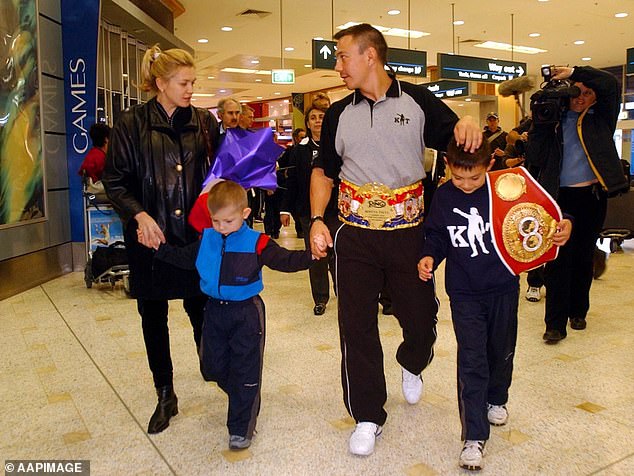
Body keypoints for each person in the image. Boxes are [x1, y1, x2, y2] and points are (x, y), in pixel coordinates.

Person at [309, 23, 482, 456]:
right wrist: (316, 219)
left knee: (420, 318)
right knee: (356, 325)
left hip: (409, 232)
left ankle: (413, 361)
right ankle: (368, 414)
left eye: (343, 55)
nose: (338, 64)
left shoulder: (417, 100)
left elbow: (456, 135)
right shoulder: (337, 112)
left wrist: (468, 123)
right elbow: (323, 171)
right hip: (354, 234)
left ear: (371, 56)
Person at [417, 140, 571, 470]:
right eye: (459, 177)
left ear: (489, 165)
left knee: (501, 350)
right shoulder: (444, 196)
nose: (467, 184)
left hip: (502, 287)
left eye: (474, 177)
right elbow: (436, 235)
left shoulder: (506, 188)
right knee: (471, 359)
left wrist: (563, 224)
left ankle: (497, 396)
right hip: (464, 293)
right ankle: (473, 436)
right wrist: (429, 255)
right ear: (448, 165)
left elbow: (544, 210)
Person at [102, 43, 219, 434]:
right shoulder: (130, 123)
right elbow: (114, 180)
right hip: (149, 239)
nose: (191, 89)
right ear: (160, 82)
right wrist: (139, 214)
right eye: (184, 82)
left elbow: (218, 174)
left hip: (194, 236)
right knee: (153, 316)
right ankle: (165, 393)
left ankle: (214, 369)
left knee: (201, 307)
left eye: (193, 82)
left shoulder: (204, 123)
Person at [150, 181, 314, 450]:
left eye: (228, 220)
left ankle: (240, 427)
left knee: (246, 370)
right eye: (216, 221)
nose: (221, 227)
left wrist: (312, 257)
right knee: (211, 367)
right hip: (214, 311)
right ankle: (244, 394)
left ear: (245, 214)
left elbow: (285, 260)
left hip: (246, 313)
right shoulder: (207, 239)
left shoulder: (257, 242)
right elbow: (182, 258)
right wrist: (158, 249)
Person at [525, 65, 629, 343]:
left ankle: (578, 311)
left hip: (592, 198)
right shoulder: (554, 121)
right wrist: (540, 126)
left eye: (586, 92)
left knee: (584, 257)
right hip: (559, 198)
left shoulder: (602, 118)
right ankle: (554, 324)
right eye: (575, 92)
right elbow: (535, 156)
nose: (579, 97)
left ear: (595, 97)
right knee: (558, 260)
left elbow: (608, 83)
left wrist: (574, 71)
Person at [281, 105, 336, 316]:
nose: (317, 121)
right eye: (313, 118)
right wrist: (285, 209)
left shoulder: (336, 145)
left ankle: (344, 291)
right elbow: (292, 182)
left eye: (321, 117)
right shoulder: (300, 150)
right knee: (317, 255)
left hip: (336, 211)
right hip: (308, 211)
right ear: (307, 123)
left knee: (339, 255)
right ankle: (320, 298)